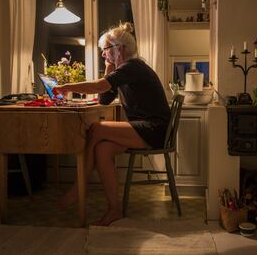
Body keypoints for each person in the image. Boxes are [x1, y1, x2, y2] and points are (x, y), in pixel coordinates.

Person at [52, 22, 171, 226]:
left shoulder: (132, 66)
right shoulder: (123, 70)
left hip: (154, 129)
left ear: (119, 49)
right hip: (145, 128)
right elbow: (104, 99)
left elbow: (99, 86)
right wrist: (108, 70)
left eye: (105, 50)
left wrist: (66, 87)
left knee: (96, 129)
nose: (103, 55)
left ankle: (79, 188)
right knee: (102, 149)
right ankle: (114, 210)